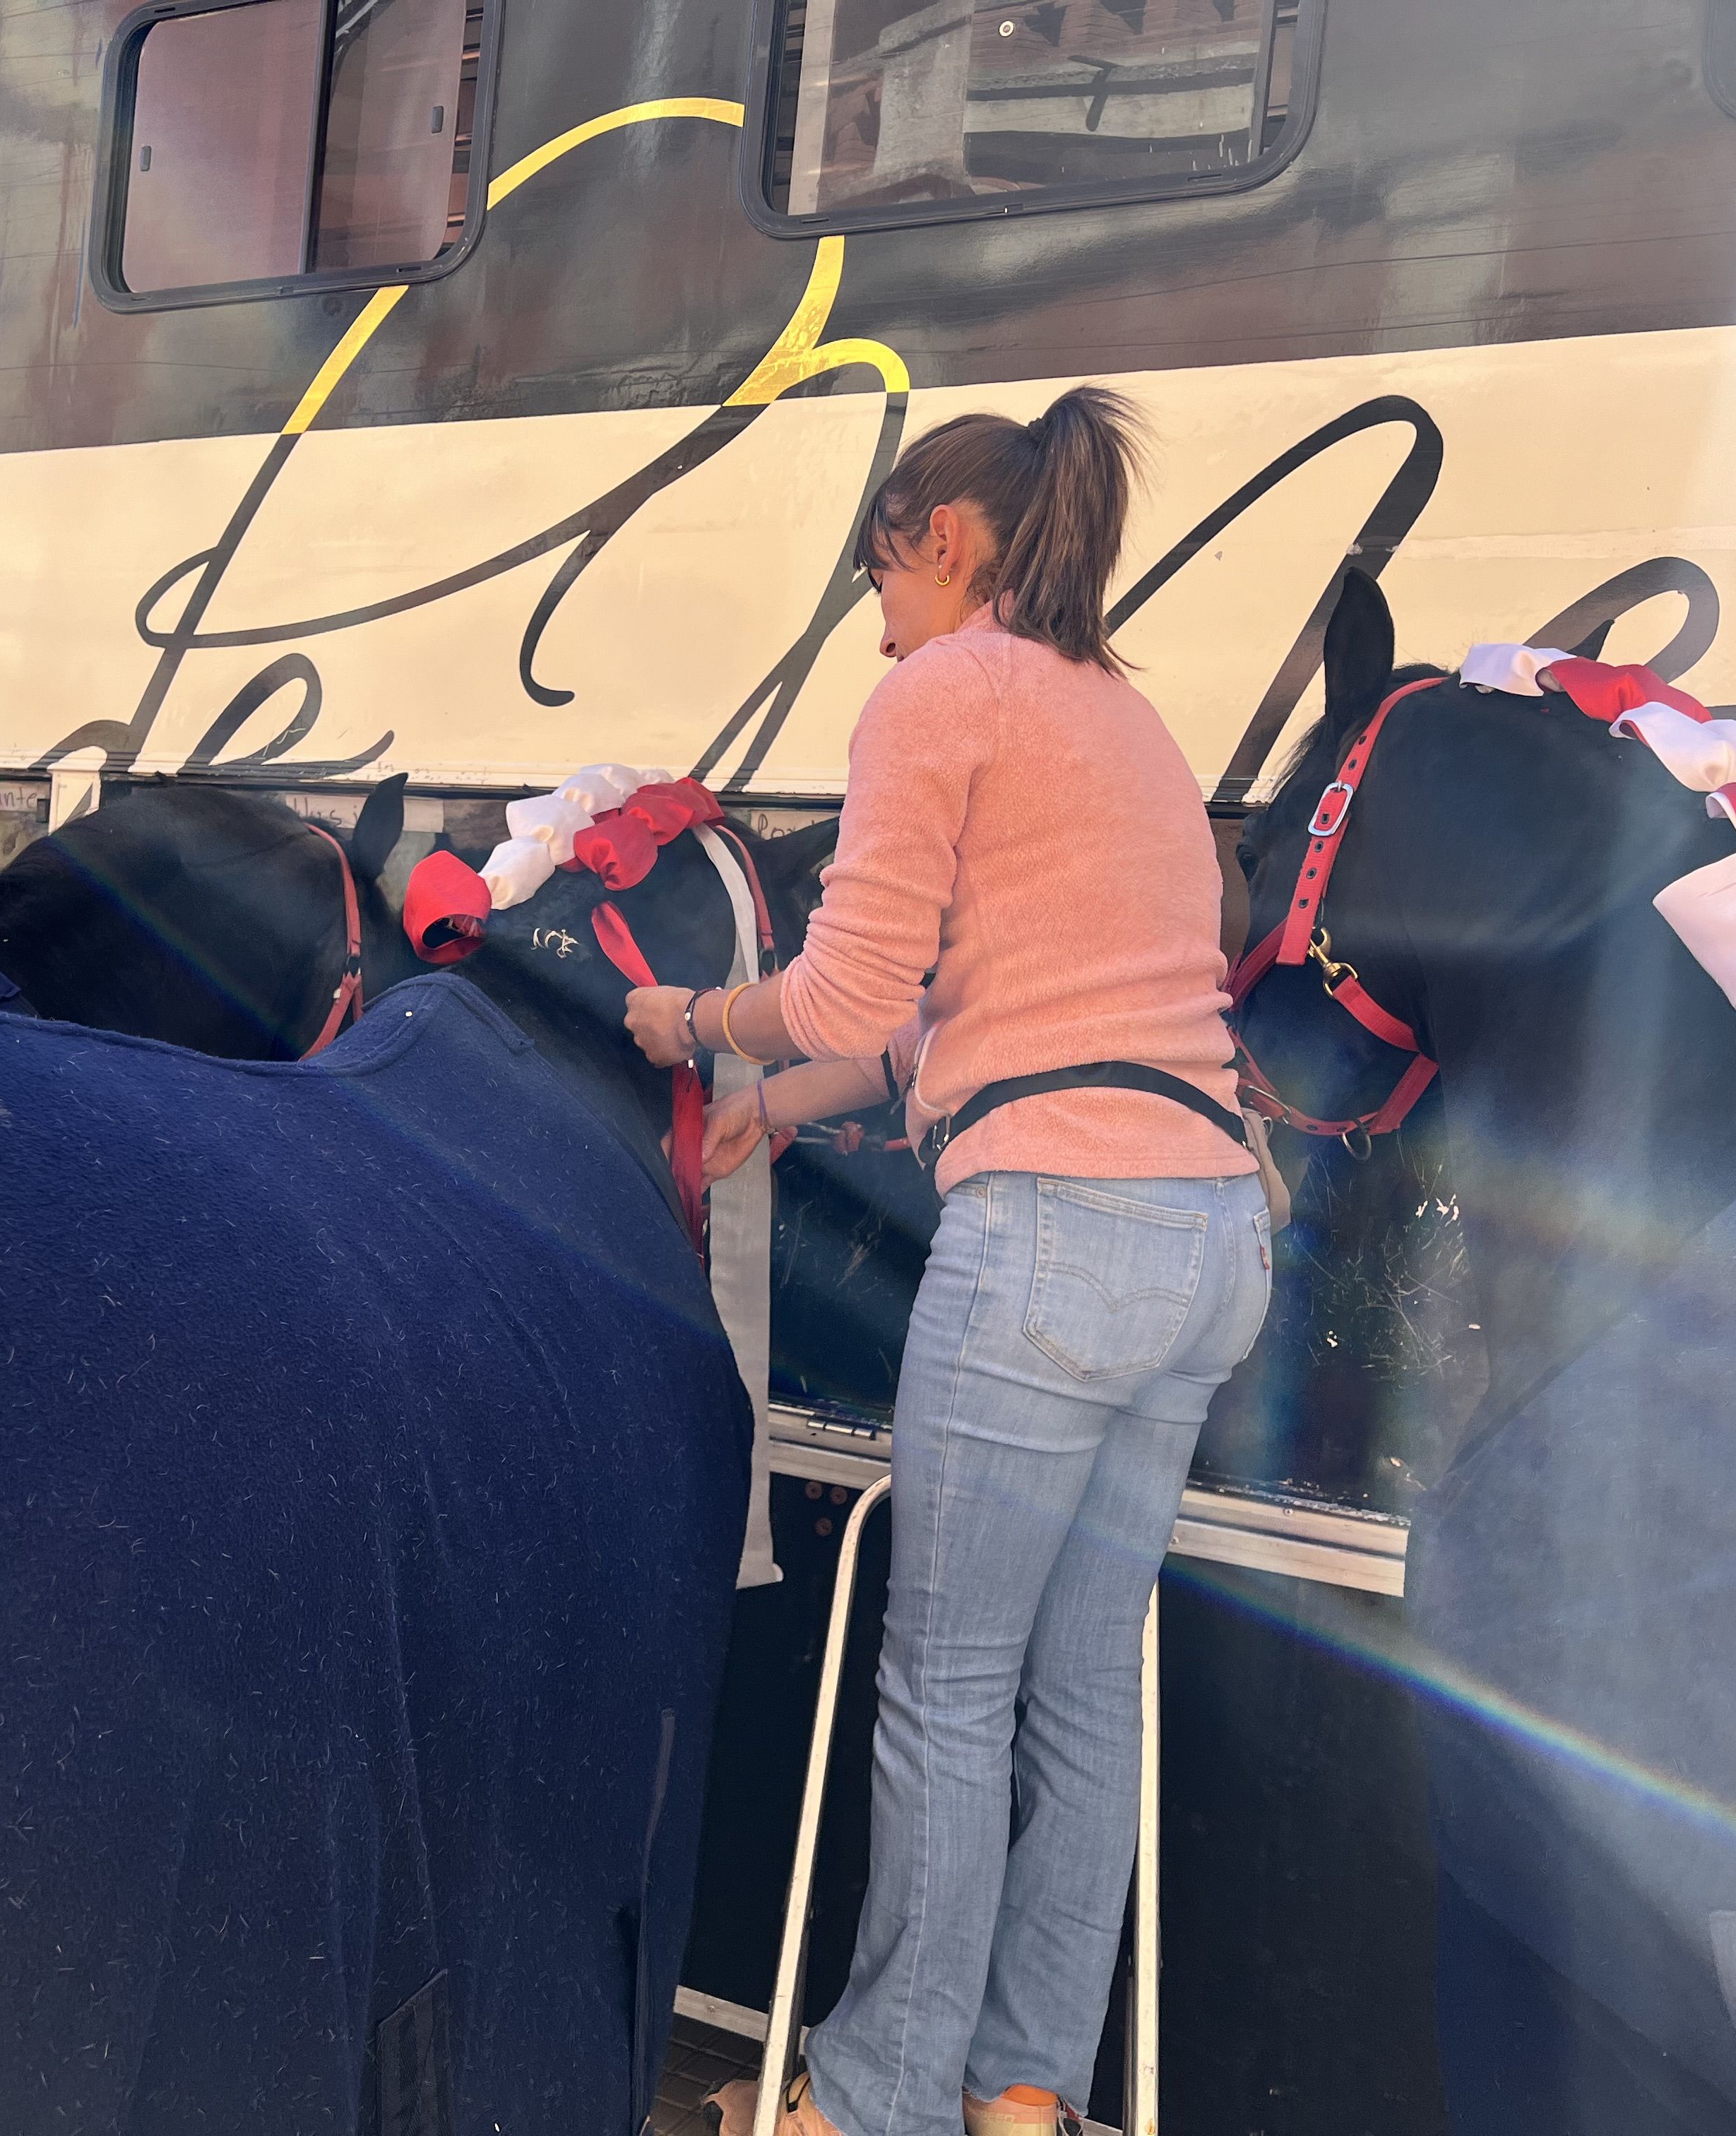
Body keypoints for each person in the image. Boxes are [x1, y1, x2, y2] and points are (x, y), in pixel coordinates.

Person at [624, 385, 1272, 2136]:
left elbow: (841, 986)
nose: (874, 609)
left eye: (878, 571)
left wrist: (695, 1025)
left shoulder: (937, 693)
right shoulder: (1118, 717)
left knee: (948, 1690)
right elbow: (955, 1019)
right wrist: (789, 1105)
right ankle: (1021, 2092)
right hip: (1211, 1235)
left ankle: (879, 2096)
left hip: (1055, 1242)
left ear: (948, 543)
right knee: (1081, 1690)